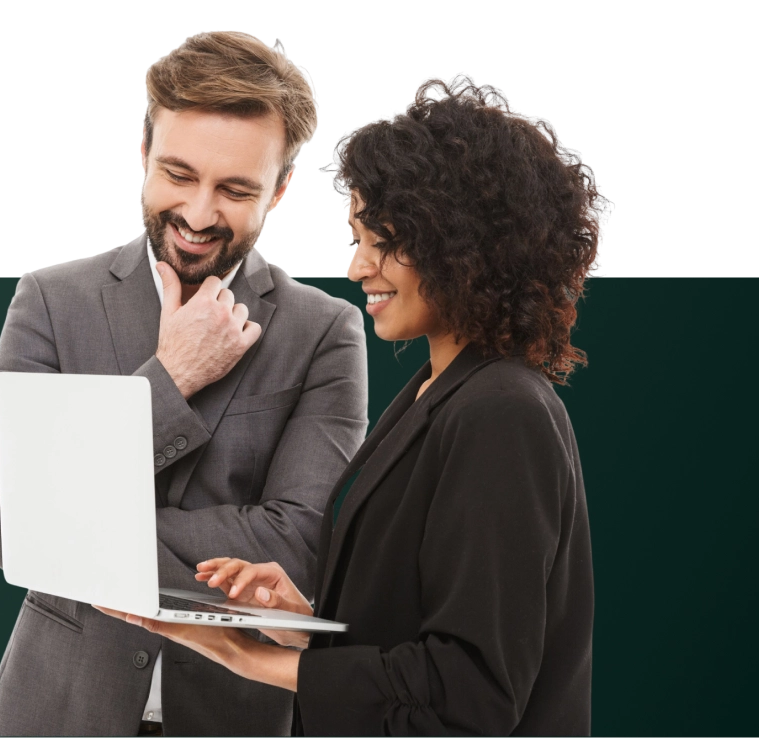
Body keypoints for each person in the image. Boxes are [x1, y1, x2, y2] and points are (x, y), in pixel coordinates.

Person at [97, 74, 607, 735]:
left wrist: (244, 656)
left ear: (457, 246)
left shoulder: (502, 412)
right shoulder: (434, 391)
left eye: (381, 241)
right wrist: (304, 622)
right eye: (356, 238)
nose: (357, 266)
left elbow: (470, 692)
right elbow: (413, 649)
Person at [0, 30, 369, 737]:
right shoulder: (52, 300)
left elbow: (299, 541)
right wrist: (168, 381)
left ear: (280, 189)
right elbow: (4, 515)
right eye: (178, 175)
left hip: (233, 717)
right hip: (54, 714)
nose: (199, 214)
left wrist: (74, 526)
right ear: (144, 155)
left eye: (235, 188)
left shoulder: (324, 332)